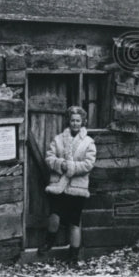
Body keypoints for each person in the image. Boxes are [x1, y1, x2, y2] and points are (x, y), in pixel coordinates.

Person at [39, 105, 97, 266]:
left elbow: (88, 164)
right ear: (68, 121)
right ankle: (48, 242)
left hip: (77, 188)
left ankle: (73, 256)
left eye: (78, 120)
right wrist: (61, 164)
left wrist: (72, 167)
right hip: (59, 186)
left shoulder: (88, 143)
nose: (75, 123)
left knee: (74, 222)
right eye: (72, 120)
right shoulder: (58, 139)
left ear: (83, 122)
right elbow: (49, 158)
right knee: (54, 216)